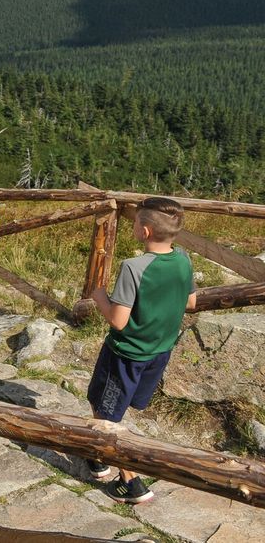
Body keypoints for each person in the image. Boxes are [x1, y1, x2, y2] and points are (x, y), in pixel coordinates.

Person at [85, 197, 194, 504]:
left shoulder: (134, 268)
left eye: (135, 223)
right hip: (159, 351)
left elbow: (119, 321)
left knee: (105, 411)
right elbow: (191, 302)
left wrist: (99, 296)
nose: (133, 226)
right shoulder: (183, 259)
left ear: (145, 231)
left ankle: (131, 482)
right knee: (109, 406)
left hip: (125, 353)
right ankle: (98, 455)